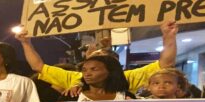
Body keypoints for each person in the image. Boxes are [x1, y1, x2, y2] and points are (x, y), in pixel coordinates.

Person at [17, 21, 178, 95]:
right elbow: (38, 66)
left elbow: (166, 63)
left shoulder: (128, 78)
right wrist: (25, 42)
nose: (87, 72)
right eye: (87, 67)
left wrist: (168, 37)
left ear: (111, 66)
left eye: (96, 66)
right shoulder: (75, 77)